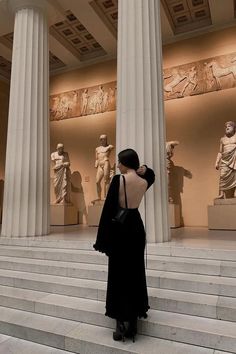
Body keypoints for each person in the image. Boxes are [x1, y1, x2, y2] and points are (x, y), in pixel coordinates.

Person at [93, 148, 155, 342]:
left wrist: (102, 240)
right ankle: (133, 323)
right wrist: (142, 168)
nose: (117, 165)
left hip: (121, 229)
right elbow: (151, 174)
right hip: (136, 228)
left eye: (119, 161)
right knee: (135, 272)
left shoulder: (118, 180)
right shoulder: (144, 181)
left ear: (126, 162)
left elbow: (108, 209)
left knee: (118, 275)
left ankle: (120, 325)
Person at [215, 121, 236, 199]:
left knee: (235, 177)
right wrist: (217, 162)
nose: (227, 127)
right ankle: (222, 194)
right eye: (226, 126)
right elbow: (220, 152)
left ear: (234, 128)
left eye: (230, 126)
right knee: (222, 176)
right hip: (224, 161)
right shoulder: (222, 139)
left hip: (234, 160)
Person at [95, 134, 114, 199]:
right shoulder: (97, 149)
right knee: (97, 182)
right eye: (102, 139)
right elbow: (96, 158)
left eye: (104, 139)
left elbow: (112, 147)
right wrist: (96, 164)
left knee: (106, 180)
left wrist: (108, 147)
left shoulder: (109, 146)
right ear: (100, 140)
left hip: (106, 163)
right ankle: (98, 196)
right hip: (100, 165)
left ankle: (106, 196)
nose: (103, 140)